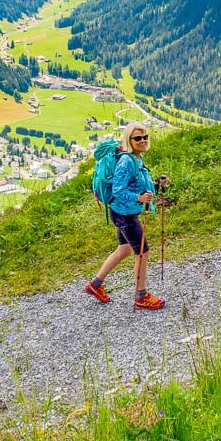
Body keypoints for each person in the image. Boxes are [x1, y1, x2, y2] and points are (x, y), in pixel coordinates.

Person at [85, 122, 165, 310]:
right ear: (129, 140)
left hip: (124, 212)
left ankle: (95, 285)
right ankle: (141, 296)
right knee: (142, 252)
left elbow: (136, 184)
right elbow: (118, 190)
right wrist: (138, 197)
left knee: (125, 249)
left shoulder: (137, 158)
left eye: (145, 137)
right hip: (125, 215)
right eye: (138, 138)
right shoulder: (127, 161)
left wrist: (156, 184)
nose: (143, 140)